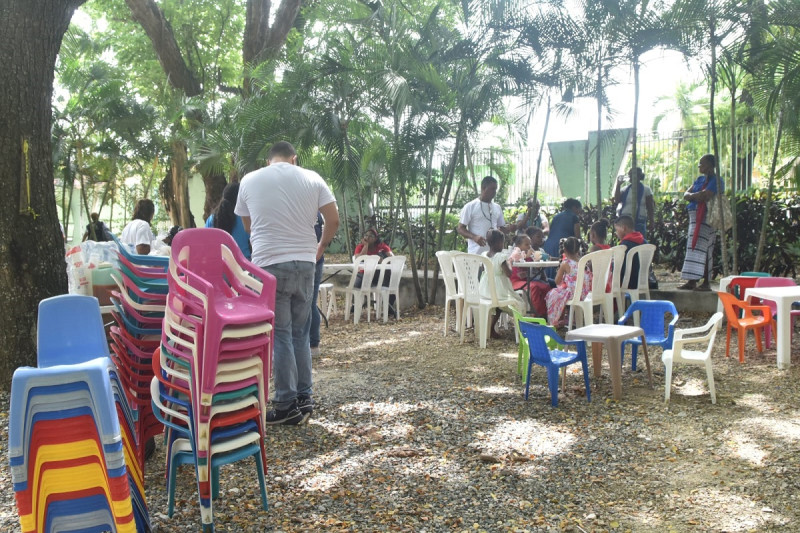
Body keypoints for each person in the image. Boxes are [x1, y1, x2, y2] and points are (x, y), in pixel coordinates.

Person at [235, 141, 339, 425]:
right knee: (301, 332)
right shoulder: (311, 177)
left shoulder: (249, 179)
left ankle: (285, 404)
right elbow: (333, 220)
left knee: (279, 333)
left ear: (269, 160)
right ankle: (304, 397)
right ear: (294, 158)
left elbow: (247, 226)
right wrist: (318, 248)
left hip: (269, 263)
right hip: (305, 262)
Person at [678, 154, 721, 292]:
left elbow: (706, 196)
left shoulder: (716, 180)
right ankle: (692, 281)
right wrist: (695, 196)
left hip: (706, 219)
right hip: (694, 217)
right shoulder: (699, 179)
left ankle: (706, 282)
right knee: (693, 247)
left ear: (709, 165)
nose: (699, 166)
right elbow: (686, 194)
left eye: (701, 164)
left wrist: (693, 197)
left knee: (706, 249)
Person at [457, 175, 527, 255]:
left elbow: (501, 229)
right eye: (492, 189)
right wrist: (474, 237)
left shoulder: (497, 207)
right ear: (483, 188)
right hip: (476, 254)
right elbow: (460, 228)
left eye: (495, 189)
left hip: (494, 254)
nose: (494, 192)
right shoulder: (470, 206)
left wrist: (509, 229)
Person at [480, 230, 525, 338]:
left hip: (485, 290)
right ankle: (521, 331)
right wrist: (509, 262)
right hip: (499, 290)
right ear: (499, 243)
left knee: (498, 307)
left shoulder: (484, 255)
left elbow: (482, 269)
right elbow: (508, 273)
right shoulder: (501, 257)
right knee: (519, 302)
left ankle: (490, 328)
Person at [545, 237, 588, 327]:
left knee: (554, 294)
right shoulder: (583, 261)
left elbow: (557, 281)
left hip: (574, 294)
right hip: (585, 294)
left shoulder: (566, 263)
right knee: (561, 292)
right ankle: (571, 319)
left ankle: (555, 321)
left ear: (564, 249)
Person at [353, 228, 397, 316]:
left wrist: (384, 259)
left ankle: (388, 306)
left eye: (371, 236)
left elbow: (393, 258)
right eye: (366, 235)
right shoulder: (360, 247)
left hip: (379, 274)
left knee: (390, 280)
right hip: (364, 273)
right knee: (356, 287)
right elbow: (358, 259)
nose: (367, 237)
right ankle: (356, 305)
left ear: (376, 238)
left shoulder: (382, 246)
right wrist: (365, 246)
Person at [206, 182, 251, 260]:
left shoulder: (212, 219)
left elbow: (206, 243)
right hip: (243, 267)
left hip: (219, 267)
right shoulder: (244, 219)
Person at [509, 233, 551, 317]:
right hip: (515, 282)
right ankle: (537, 314)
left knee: (546, 286)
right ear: (518, 245)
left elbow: (534, 264)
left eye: (530, 244)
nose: (529, 247)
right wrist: (525, 256)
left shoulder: (528, 255)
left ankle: (546, 313)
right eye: (526, 244)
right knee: (534, 287)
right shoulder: (516, 252)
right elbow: (514, 259)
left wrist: (537, 259)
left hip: (526, 281)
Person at [614, 167, 655, 238]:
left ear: (639, 176)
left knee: (639, 240)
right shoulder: (625, 189)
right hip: (625, 220)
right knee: (626, 240)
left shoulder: (646, 189)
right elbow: (617, 200)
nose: (630, 177)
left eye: (632, 175)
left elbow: (650, 206)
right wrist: (618, 185)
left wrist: (652, 221)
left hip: (639, 220)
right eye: (630, 175)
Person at [613, 215, 645, 289]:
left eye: (617, 230)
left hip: (629, 282)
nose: (616, 233)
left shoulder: (624, 245)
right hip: (643, 281)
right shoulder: (644, 242)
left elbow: (619, 267)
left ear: (623, 228)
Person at [310, 212, 324, 357]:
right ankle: (313, 345)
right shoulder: (317, 213)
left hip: (308, 259)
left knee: (308, 304)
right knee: (310, 304)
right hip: (315, 259)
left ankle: (313, 343)